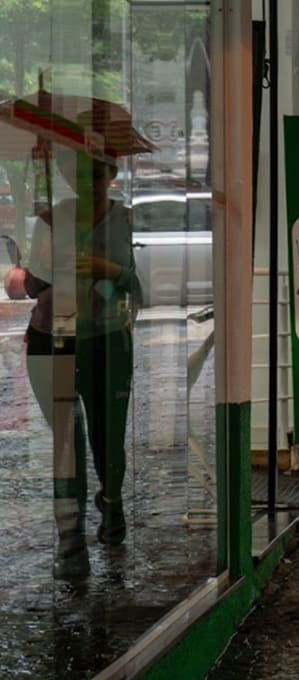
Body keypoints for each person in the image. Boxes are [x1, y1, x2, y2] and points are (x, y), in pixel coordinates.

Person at [24, 144, 138, 579]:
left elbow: (134, 281)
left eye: (95, 175)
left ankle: (111, 501)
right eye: (77, 174)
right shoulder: (51, 218)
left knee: (110, 443)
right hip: (51, 337)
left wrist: (105, 269)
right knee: (67, 442)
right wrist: (43, 266)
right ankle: (70, 543)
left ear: (109, 174)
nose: (86, 183)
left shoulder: (122, 218)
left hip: (107, 339)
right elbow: (31, 286)